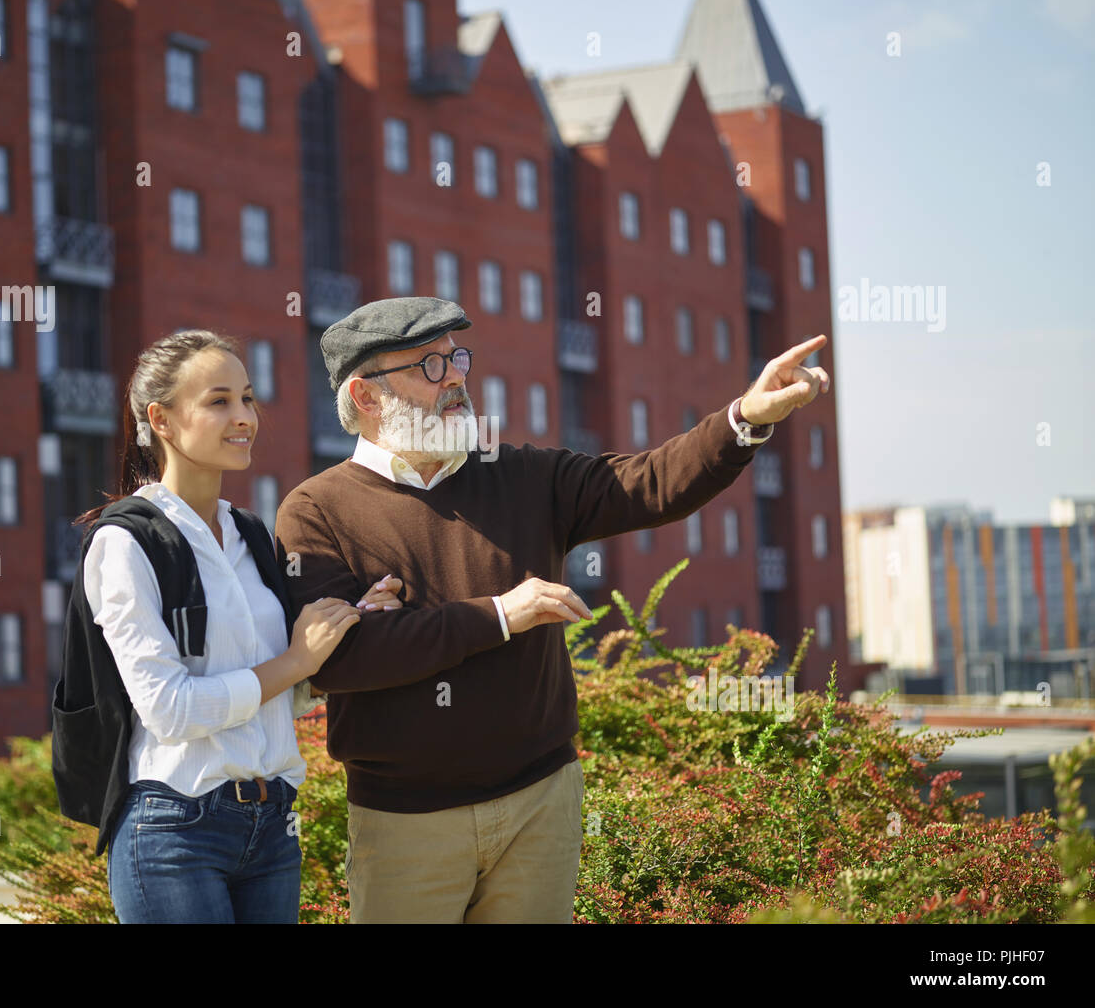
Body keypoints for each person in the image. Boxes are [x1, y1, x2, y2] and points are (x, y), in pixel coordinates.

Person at [272, 296, 831, 924]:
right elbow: (340, 660)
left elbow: (650, 483)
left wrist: (745, 419)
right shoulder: (313, 511)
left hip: (542, 801)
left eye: (458, 357)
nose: (456, 377)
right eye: (429, 365)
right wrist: (501, 614)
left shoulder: (524, 475)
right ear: (366, 396)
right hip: (404, 819)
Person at [73, 328, 402, 923]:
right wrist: (296, 662)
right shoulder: (125, 543)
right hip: (175, 828)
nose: (244, 416)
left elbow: (286, 696)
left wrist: (346, 626)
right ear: (162, 420)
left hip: (274, 824)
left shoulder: (252, 534)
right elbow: (170, 711)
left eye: (248, 398)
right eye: (218, 401)